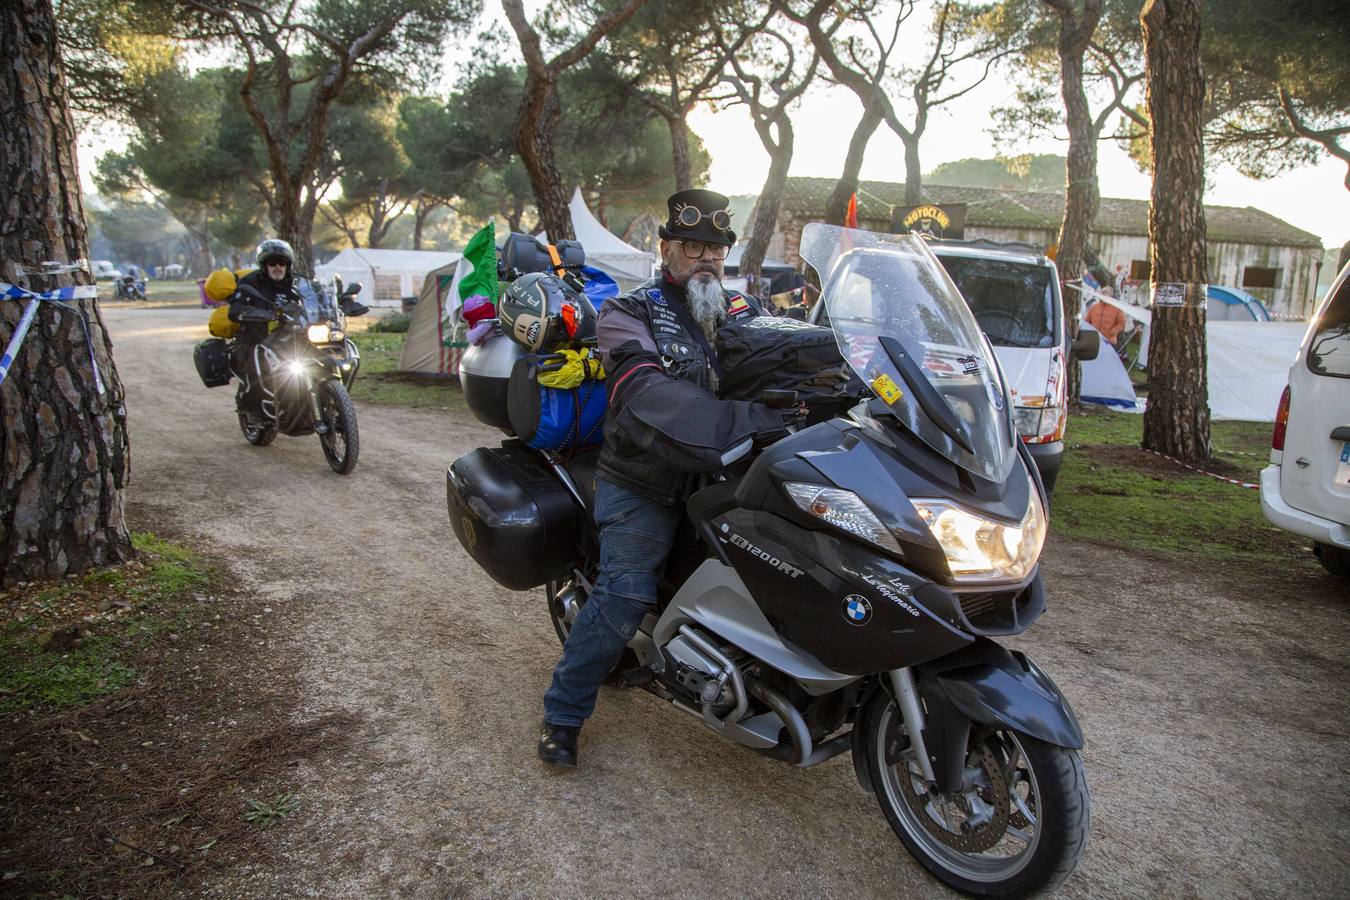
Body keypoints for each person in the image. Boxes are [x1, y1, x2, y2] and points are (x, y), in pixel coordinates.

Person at [538, 189, 789, 768]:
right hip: (644, 480)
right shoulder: (631, 312)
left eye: (716, 249)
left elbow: (789, 358)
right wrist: (747, 420)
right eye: (694, 246)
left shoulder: (742, 312)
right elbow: (645, 391)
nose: (707, 258)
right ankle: (563, 713)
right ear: (668, 248)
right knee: (626, 593)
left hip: (727, 471)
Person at [229, 238, 305, 424]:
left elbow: (317, 298)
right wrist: (258, 313)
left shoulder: (299, 282)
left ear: (288, 264)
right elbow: (235, 310)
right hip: (258, 337)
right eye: (272, 263)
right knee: (258, 364)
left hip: (292, 335)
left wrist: (340, 303)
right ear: (264, 265)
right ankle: (253, 410)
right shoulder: (251, 282)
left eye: (282, 262)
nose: (277, 267)